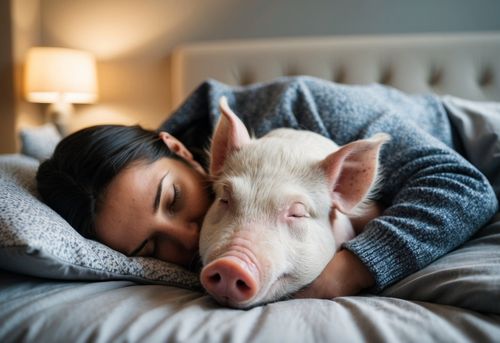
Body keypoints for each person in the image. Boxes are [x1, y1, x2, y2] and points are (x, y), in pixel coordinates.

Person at [37, 76, 498, 300]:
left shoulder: (308, 105)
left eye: (174, 199)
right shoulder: (140, 184)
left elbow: (461, 187)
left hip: (468, 140)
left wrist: (341, 274)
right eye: (150, 246)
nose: (187, 236)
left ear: (183, 150)